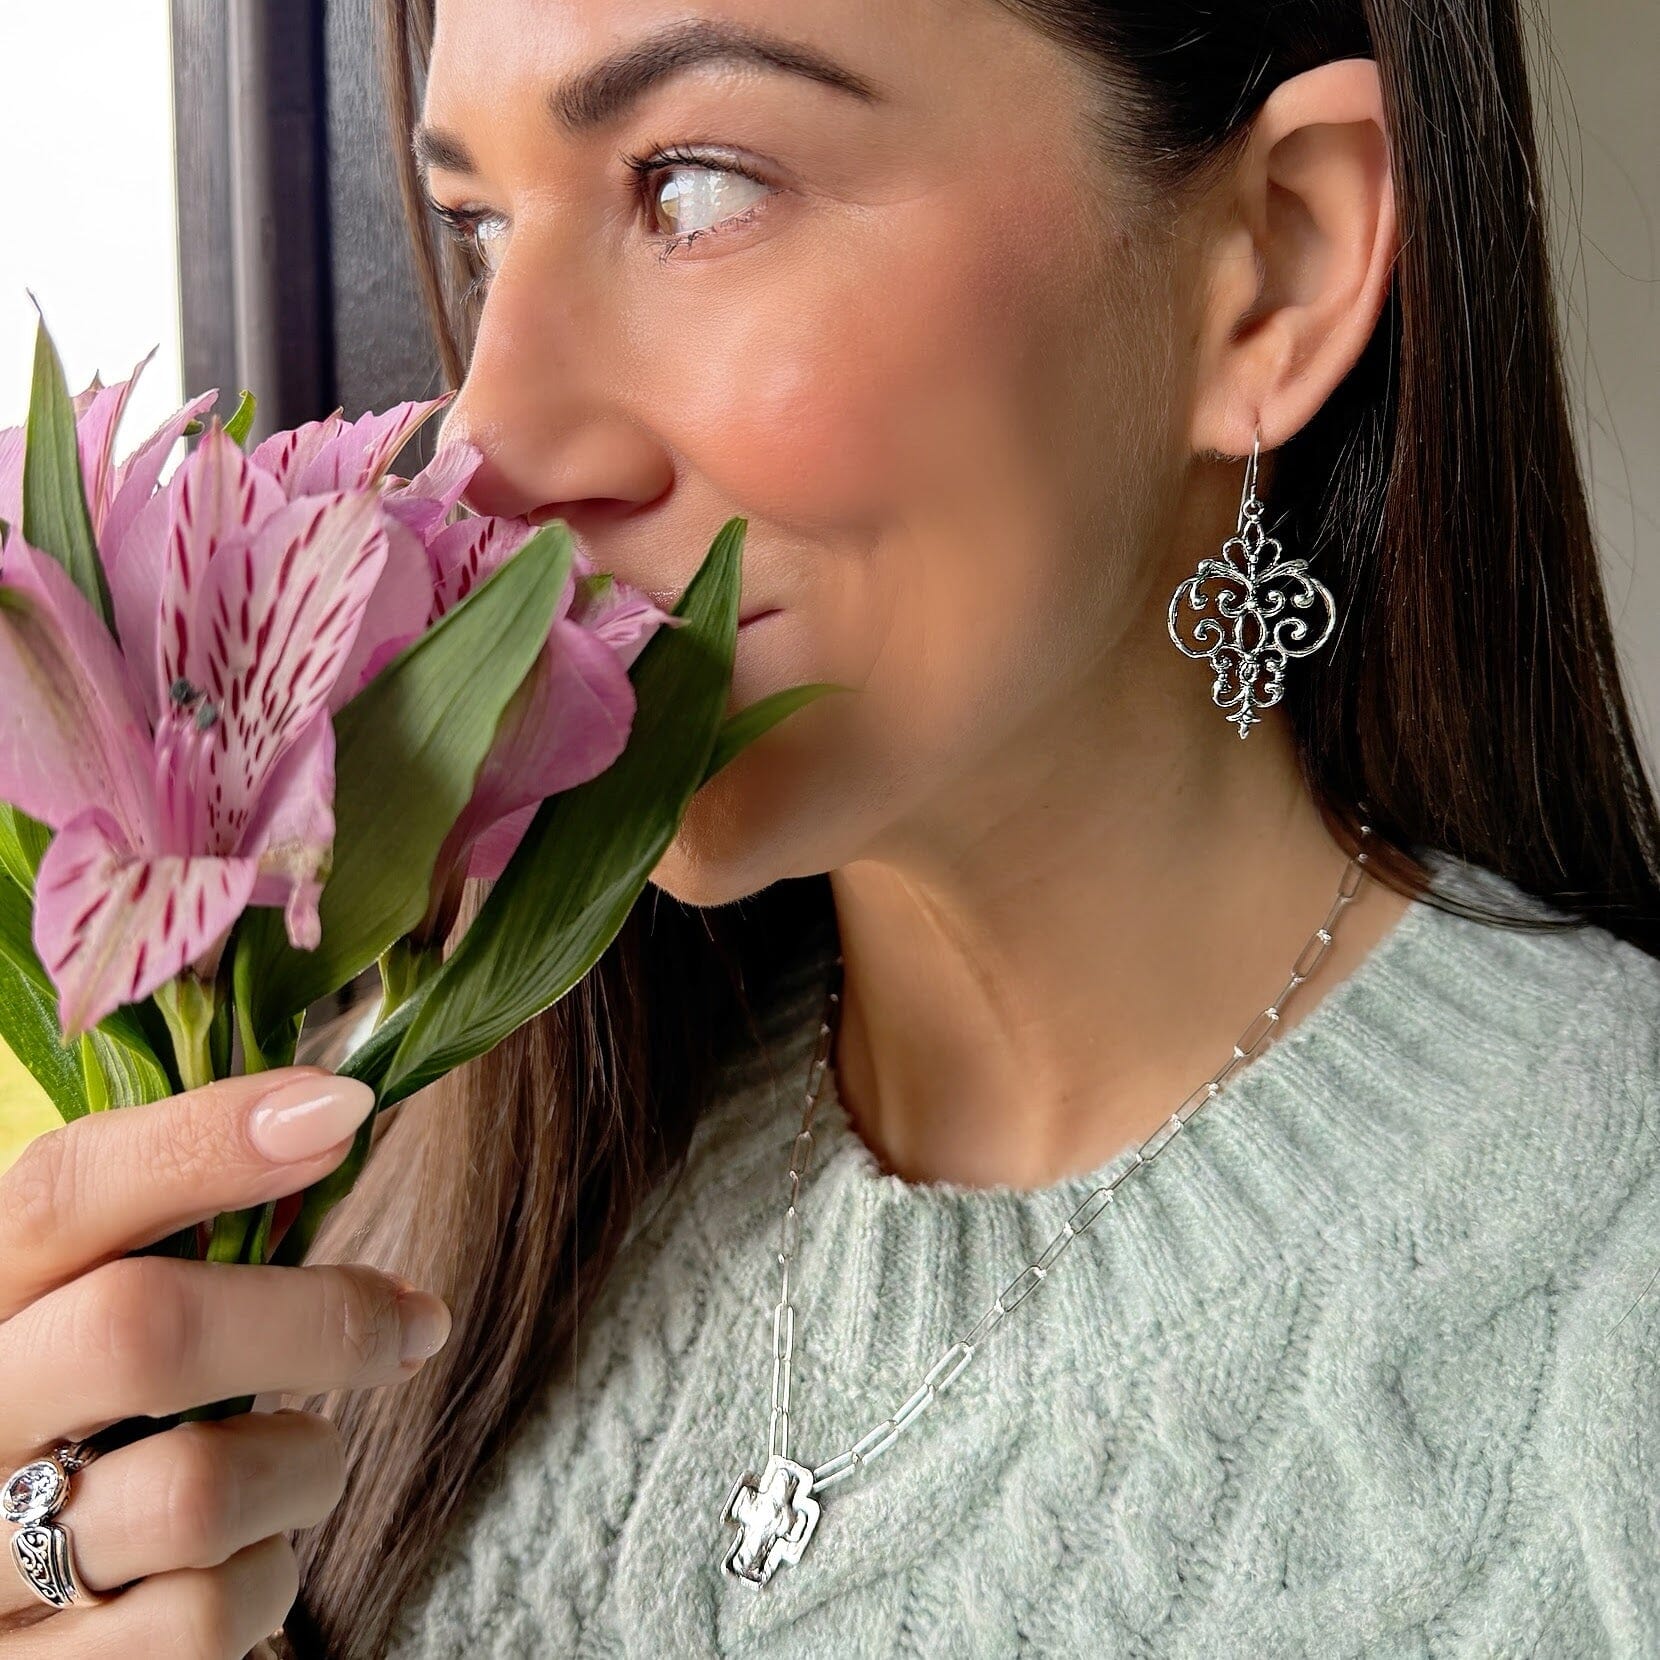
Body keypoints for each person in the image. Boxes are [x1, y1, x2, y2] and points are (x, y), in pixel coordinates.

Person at [2, 0, 1657, 1655]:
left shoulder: (1609, 1338)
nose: (486, 455)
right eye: (483, 234)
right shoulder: (390, 1222)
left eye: (697, 187)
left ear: (1276, 266)